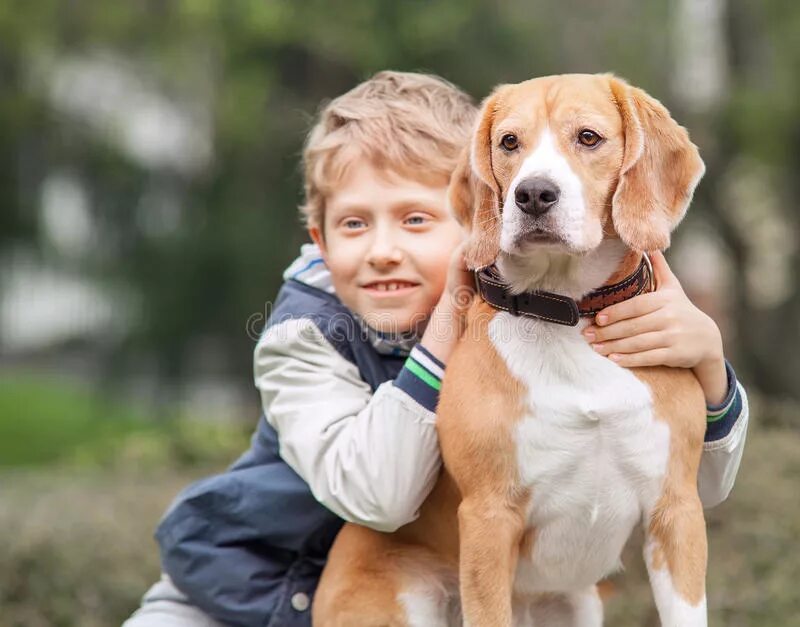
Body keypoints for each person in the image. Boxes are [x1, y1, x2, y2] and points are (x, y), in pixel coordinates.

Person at [122, 71, 749, 627]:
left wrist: (709, 366)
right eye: (354, 223)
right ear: (487, 200)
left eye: (416, 220)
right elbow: (385, 496)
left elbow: (689, 489)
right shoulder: (304, 337)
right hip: (234, 593)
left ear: (467, 216)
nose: (385, 249)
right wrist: (450, 316)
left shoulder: (587, 313)